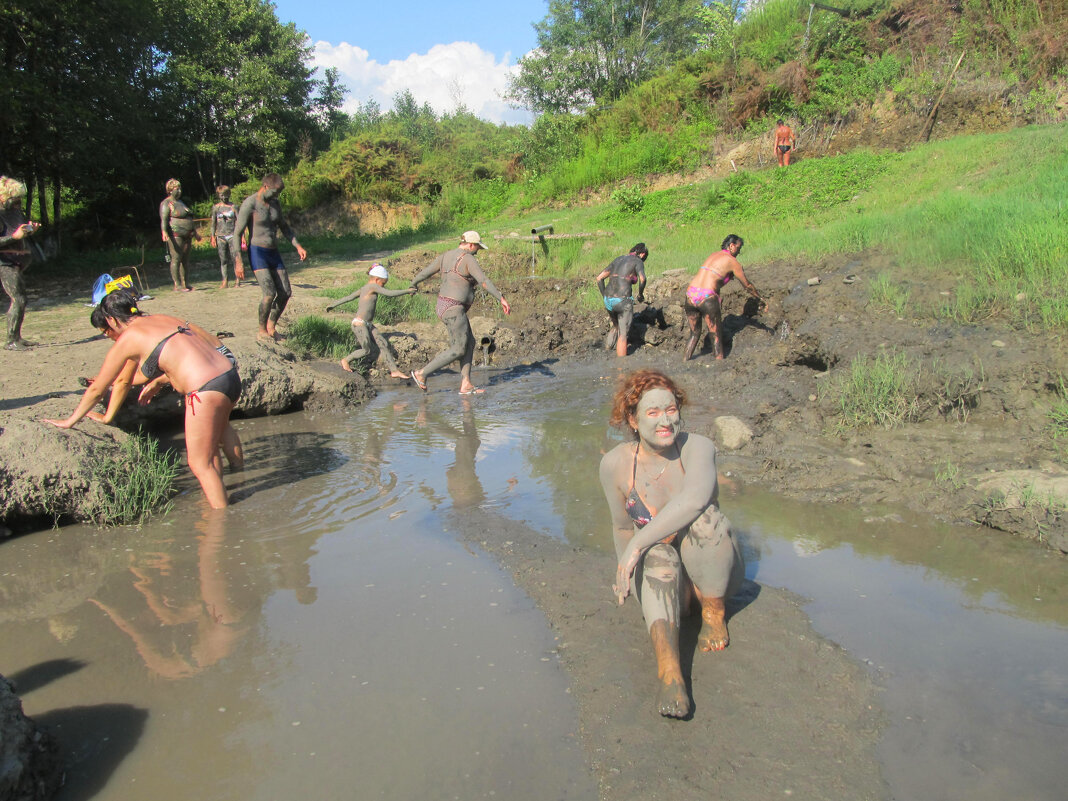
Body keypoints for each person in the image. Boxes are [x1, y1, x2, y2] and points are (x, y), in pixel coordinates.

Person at [599, 369, 745, 718]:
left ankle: (714, 613)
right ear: (632, 420)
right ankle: (670, 673)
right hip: (664, 584)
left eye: (671, 410)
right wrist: (625, 572)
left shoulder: (698, 447)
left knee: (706, 520)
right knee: (659, 553)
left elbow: (694, 501)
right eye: (653, 412)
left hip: (711, 577)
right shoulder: (615, 464)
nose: (665, 420)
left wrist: (637, 545)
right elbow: (622, 528)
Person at [43, 290, 242, 508]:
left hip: (204, 388)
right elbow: (131, 377)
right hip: (229, 375)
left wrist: (70, 421)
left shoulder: (128, 338)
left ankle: (222, 521)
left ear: (111, 319)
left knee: (199, 463)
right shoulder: (162, 318)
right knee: (209, 452)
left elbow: (97, 390)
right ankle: (220, 494)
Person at [80, 291, 244, 469]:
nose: (109, 337)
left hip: (207, 368)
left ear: (113, 322)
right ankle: (238, 472)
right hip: (221, 360)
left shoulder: (135, 335)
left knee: (207, 445)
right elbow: (139, 375)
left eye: (106, 332)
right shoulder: (152, 322)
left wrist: (107, 413)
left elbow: (126, 381)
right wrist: (109, 380)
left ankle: (220, 477)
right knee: (221, 425)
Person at [409, 231, 510, 394]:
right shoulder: (468, 258)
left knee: (469, 343)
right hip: (454, 308)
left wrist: (413, 283)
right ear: (470, 245)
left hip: (444, 305)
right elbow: (483, 281)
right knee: (458, 349)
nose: (477, 251)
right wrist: (501, 298)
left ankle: (466, 384)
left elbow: (426, 272)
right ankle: (422, 373)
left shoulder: (446, 256)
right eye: (477, 247)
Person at [233, 173, 307, 341]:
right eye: (275, 192)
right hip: (257, 252)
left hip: (274, 252)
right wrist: (238, 261)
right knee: (269, 293)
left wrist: (298, 246)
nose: (277, 195)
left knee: (285, 292)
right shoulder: (250, 204)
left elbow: (284, 227)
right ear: (265, 187)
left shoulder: (275, 204)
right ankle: (261, 330)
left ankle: (271, 327)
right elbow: (237, 233)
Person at [684, 234, 765, 361]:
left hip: (690, 294)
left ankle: (685, 360)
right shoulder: (732, 261)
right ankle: (719, 363)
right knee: (715, 335)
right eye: (738, 248)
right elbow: (747, 286)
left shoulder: (713, 255)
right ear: (731, 246)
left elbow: (713, 278)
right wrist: (760, 298)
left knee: (694, 333)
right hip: (707, 297)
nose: (739, 252)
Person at [326, 263, 416, 377]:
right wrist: (407, 291)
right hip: (359, 324)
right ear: (377, 279)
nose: (383, 287)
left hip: (368, 324)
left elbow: (349, 297)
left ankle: (394, 371)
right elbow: (390, 294)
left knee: (383, 343)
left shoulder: (365, 288)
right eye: (383, 283)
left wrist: (333, 305)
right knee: (366, 350)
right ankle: (346, 360)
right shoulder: (372, 287)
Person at [0, 176, 39, 350]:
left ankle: (17, 337)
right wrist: (14, 237)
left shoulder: (15, 212)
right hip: (4, 263)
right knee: (19, 298)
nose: (18, 202)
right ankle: (11, 340)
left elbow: (18, 233)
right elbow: (12, 236)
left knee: (21, 299)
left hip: (17, 260)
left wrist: (29, 231)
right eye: (14, 198)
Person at [595, 243, 648, 357]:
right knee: (623, 335)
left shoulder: (618, 259)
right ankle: (621, 364)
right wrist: (640, 294)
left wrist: (605, 296)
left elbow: (599, 278)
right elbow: (642, 279)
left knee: (616, 326)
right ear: (642, 254)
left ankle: (607, 351)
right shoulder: (637, 261)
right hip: (622, 300)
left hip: (608, 300)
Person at [159, 178, 201, 292]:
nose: (179, 191)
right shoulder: (166, 203)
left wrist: (195, 233)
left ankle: (185, 283)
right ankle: (177, 284)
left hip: (188, 234)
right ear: (170, 190)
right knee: (176, 258)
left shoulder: (181, 202)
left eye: (180, 188)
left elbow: (189, 218)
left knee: (185, 260)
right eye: (176, 189)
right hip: (175, 234)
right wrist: (164, 232)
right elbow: (164, 219)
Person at [209, 185, 241, 289]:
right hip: (220, 236)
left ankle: (237, 280)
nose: (224, 197)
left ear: (229, 194)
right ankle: (225, 281)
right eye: (221, 195)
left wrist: (242, 236)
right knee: (223, 260)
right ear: (218, 195)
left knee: (234, 258)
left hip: (232, 235)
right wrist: (212, 237)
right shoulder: (216, 208)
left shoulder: (234, 207)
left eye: (226, 195)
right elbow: (213, 224)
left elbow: (239, 222)